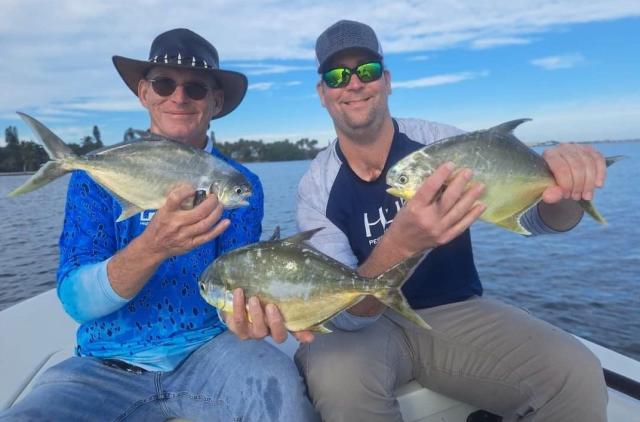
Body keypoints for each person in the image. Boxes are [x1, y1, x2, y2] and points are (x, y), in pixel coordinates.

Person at [294, 20, 609, 422]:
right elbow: (344, 314)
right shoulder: (316, 188)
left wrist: (564, 195)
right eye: (337, 76)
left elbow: (536, 221)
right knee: (338, 383)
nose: (353, 84)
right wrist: (402, 244)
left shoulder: (442, 144)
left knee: (574, 373)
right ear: (323, 94)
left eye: (367, 71)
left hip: (452, 311)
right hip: (367, 327)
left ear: (387, 81)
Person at [0, 28, 315, 421]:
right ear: (144, 93)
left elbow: (235, 283)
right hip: (103, 364)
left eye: (196, 88)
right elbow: (76, 302)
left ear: (216, 101)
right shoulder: (93, 177)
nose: (179, 97)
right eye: (164, 84)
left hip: (212, 352)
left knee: (281, 390)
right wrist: (153, 247)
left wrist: (252, 315)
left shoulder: (240, 186)